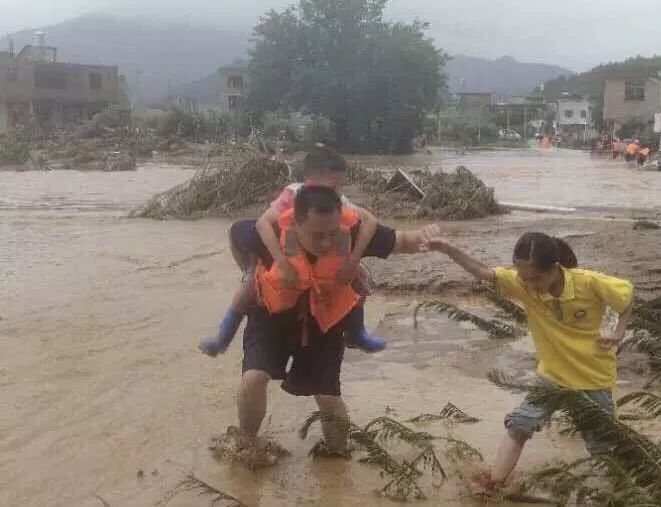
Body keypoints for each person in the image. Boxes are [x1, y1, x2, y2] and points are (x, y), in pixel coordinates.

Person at [233, 185, 438, 462]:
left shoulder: (350, 232)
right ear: (295, 223)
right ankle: (246, 446)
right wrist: (246, 273)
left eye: (332, 233)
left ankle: (338, 457)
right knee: (254, 377)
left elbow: (401, 240)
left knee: (327, 396)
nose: (328, 242)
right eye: (318, 236)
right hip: (272, 318)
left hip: (325, 323)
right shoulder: (270, 236)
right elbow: (235, 233)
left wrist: (426, 237)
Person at [426, 232, 634, 495]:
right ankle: (494, 484)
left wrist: (619, 332)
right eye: (524, 279)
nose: (530, 285)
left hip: (593, 380)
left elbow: (626, 299)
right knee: (519, 426)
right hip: (551, 376)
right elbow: (482, 271)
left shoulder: (589, 283)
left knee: (602, 448)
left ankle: (620, 494)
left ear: (555, 268)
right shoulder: (524, 285)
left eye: (536, 278)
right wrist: (447, 249)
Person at [199, 145, 386, 356]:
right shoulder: (293, 194)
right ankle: (222, 338)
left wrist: (352, 261)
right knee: (250, 285)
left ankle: (356, 334)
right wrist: (280, 262)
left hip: (322, 253)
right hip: (282, 253)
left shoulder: (336, 199)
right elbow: (262, 224)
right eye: (335, 183)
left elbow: (370, 221)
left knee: (361, 278)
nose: (338, 190)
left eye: (339, 185)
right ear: (311, 179)